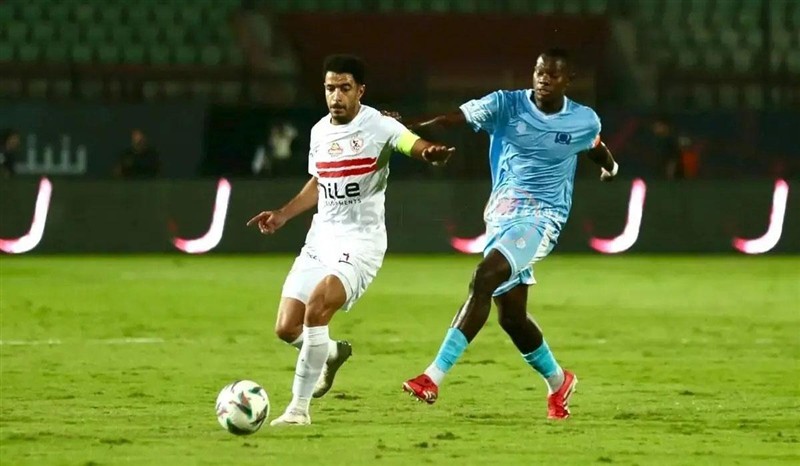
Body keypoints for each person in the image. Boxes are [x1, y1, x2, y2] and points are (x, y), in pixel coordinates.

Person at [399, 48, 619, 420]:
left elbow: (595, 147)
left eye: (552, 74)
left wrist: (611, 168)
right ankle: (559, 381)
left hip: (542, 220)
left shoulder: (583, 120)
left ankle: (432, 377)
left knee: (484, 277)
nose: (543, 79)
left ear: (568, 80)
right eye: (539, 71)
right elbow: (452, 119)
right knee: (512, 318)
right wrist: (404, 126)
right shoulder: (505, 105)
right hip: (501, 219)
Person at [246, 54, 454, 426]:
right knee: (287, 328)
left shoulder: (380, 125)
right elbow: (319, 182)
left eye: (344, 88)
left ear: (360, 90)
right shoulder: (318, 132)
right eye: (330, 88)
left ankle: (298, 409)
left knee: (317, 308)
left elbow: (412, 143)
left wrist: (430, 152)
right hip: (321, 239)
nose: (336, 96)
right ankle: (330, 353)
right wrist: (283, 214)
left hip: (360, 243)